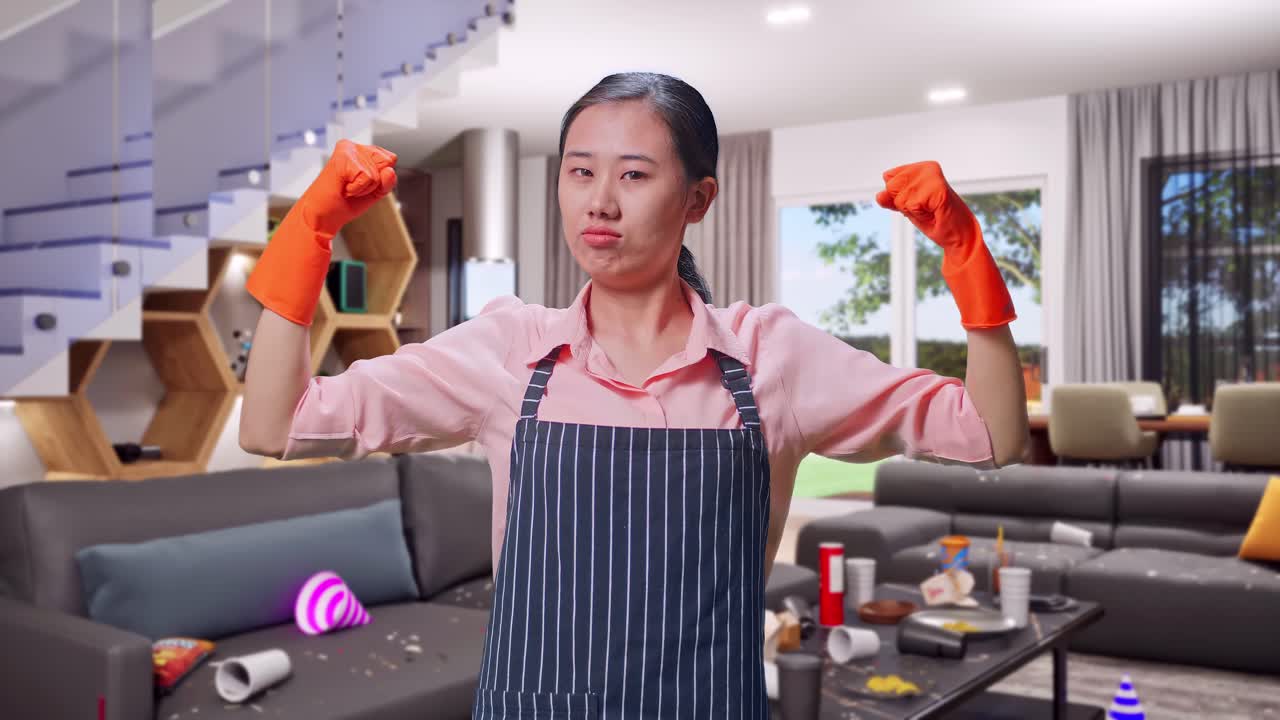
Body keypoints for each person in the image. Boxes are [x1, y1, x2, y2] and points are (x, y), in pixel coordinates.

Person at [239, 72, 1028, 719]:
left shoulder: (769, 357)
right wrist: (306, 236)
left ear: (699, 199)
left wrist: (966, 258)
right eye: (580, 170)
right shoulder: (507, 349)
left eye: (634, 174)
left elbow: (991, 434)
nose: (600, 201)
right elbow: (278, 424)